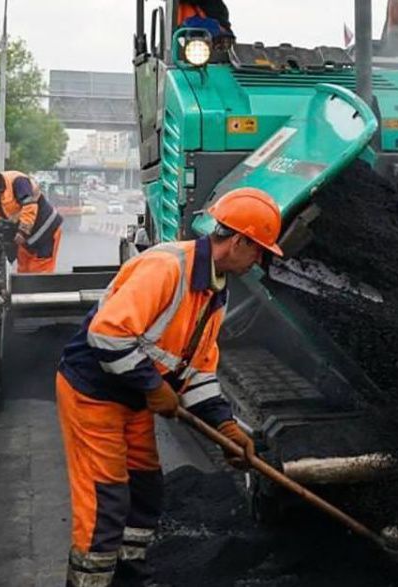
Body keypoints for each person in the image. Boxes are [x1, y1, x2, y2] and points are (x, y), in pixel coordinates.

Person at [55, 187, 283, 587]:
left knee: (145, 490)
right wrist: (152, 386)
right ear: (239, 242)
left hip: (135, 398)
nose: (260, 261)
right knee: (106, 500)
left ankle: (129, 578)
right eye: (260, 251)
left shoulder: (215, 290)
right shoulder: (167, 268)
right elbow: (106, 335)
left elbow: (196, 371)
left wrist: (226, 428)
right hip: (95, 392)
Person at [0, 163, 63, 274]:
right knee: (23, 272)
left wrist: (22, 232)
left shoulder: (16, 180)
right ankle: (27, 284)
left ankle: (39, 284)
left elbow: (29, 206)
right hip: (25, 238)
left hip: (46, 229)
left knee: (40, 272)